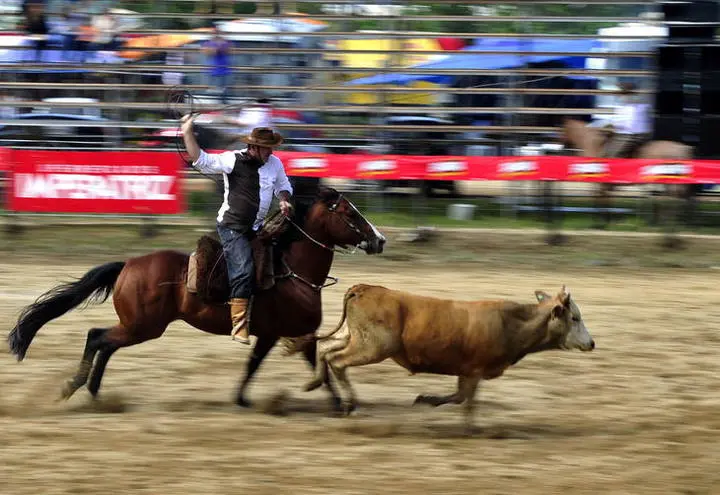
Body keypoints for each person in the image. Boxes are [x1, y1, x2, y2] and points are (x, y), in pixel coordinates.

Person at [181, 115, 293, 345]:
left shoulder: (275, 164)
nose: (270, 153)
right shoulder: (233, 160)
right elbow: (200, 159)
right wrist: (187, 133)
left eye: (271, 149)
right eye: (266, 149)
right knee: (243, 269)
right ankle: (239, 324)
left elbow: (283, 186)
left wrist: (283, 199)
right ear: (254, 147)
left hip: (258, 227)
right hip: (232, 227)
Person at [602, 82, 652, 158]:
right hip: (634, 133)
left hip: (629, 135)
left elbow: (626, 125)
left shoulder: (630, 106)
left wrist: (612, 126)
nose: (620, 95)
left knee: (611, 154)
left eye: (623, 92)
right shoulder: (630, 105)